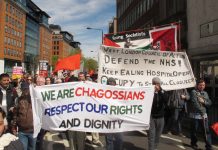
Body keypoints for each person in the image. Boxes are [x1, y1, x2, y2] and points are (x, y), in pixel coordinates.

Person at [189, 79, 213, 150]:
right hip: (195, 116)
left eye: (203, 85)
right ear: (197, 85)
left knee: (206, 132)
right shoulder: (193, 92)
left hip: (204, 116)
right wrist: (202, 112)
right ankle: (193, 143)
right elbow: (195, 104)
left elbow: (209, 103)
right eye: (200, 85)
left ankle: (208, 146)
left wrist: (204, 101)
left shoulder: (205, 93)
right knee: (194, 131)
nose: (202, 86)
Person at [13, 82, 36, 150]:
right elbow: (15, 114)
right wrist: (14, 127)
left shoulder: (34, 100)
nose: (25, 90)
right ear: (21, 90)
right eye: (24, 89)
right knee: (23, 148)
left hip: (33, 131)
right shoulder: (17, 100)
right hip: (22, 131)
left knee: (32, 148)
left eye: (27, 89)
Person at [147, 77, 168, 150]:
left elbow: (166, 100)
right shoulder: (149, 92)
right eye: (154, 84)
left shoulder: (163, 92)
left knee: (158, 135)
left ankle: (155, 148)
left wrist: (160, 91)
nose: (156, 85)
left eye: (158, 84)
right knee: (151, 135)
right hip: (151, 117)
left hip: (160, 117)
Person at [105, 77, 123, 150]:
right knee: (109, 140)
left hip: (117, 120)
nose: (111, 85)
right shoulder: (103, 93)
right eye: (110, 83)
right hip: (107, 120)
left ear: (115, 84)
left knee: (119, 139)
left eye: (113, 83)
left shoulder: (120, 93)